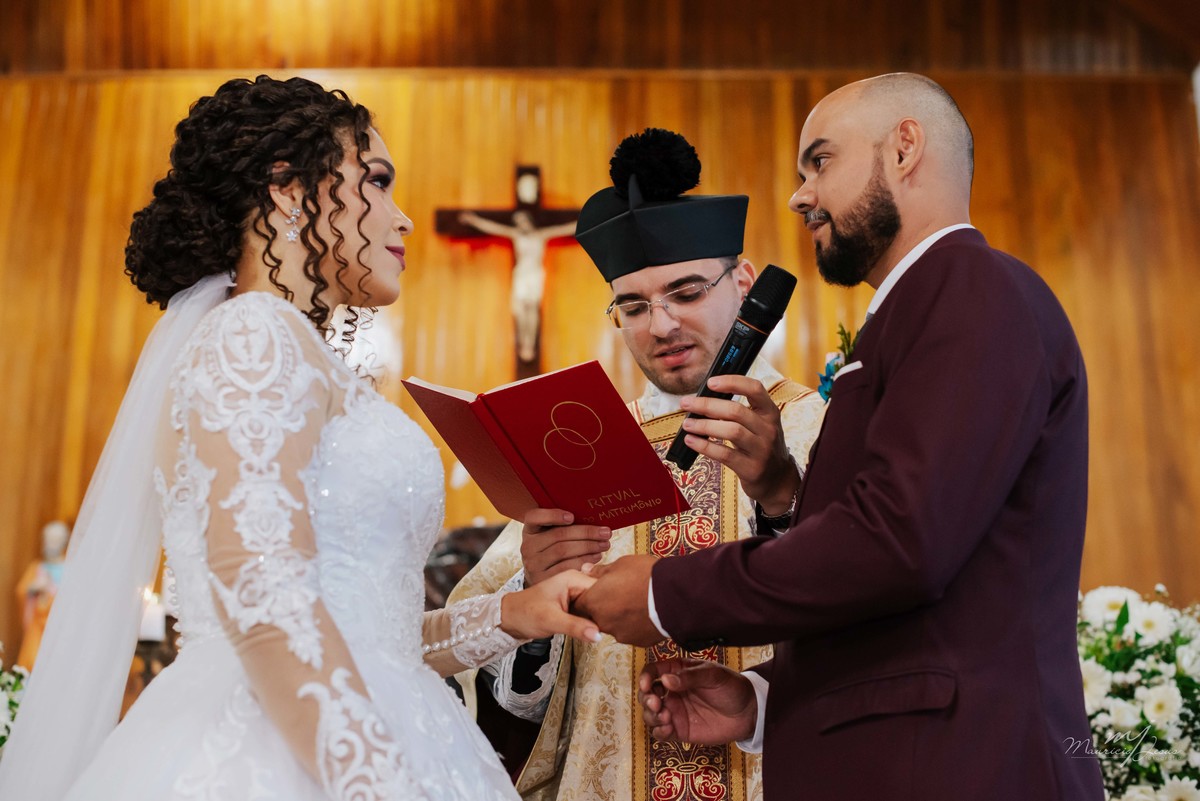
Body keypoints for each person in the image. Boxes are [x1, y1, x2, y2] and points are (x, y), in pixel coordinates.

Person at [0, 75, 603, 801]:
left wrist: (511, 614)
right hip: (276, 754)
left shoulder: (301, 355)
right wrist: (374, 783)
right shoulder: (254, 333)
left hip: (361, 714)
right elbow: (263, 593)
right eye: (376, 181)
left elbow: (371, 639)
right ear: (288, 190)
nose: (403, 218)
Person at [577, 74, 1105, 800]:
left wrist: (668, 595)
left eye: (819, 162)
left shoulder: (971, 287)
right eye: (633, 306)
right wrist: (762, 699)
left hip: (956, 766)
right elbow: (913, 600)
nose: (799, 196)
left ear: (905, 147)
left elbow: (900, 541)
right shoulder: (914, 309)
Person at [446, 128, 825, 801]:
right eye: (633, 305)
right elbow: (495, 684)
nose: (661, 325)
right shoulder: (581, 446)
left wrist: (781, 499)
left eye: (687, 292)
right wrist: (539, 598)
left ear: (743, 283)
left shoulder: (818, 425)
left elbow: (863, 613)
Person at [457, 210, 576, 362]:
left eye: (523, 220)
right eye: (518, 222)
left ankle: (529, 344)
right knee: (520, 311)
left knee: (532, 309)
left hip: (534, 274)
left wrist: (588, 219)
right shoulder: (516, 234)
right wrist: (474, 220)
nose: (521, 224)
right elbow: (494, 228)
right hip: (521, 273)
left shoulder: (541, 235)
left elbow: (564, 229)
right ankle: (522, 343)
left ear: (530, 221)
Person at [13, 520, 70, 670]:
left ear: (63, 542)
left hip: (56, 628)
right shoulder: (37, 567)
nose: (50, 544)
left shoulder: (68, 569)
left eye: (54, 540)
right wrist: (33, 589)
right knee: (31, 661)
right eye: (47, 539)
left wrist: (50, 592)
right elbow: (21, 591)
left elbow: (71, 601)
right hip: (35, 630)